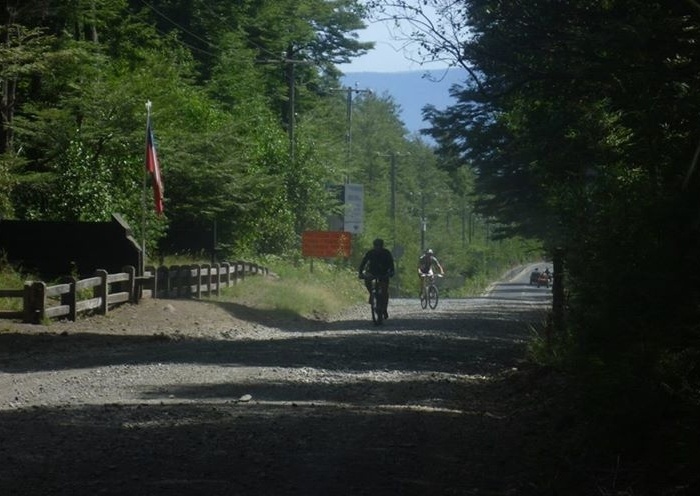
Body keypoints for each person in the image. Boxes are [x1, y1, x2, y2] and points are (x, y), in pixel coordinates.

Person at [358, 238, 395, 319]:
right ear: (374, 246)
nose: (378, 247)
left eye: (379, 246)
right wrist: (360, 273)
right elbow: (363, 263)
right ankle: (372, 293)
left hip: (383, 273)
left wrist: (391, 272)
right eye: (376, 246)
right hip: (372, 272)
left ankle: (384, 309)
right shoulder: (370, 253)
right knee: (367, 280)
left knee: (384, 291)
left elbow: (391, 264)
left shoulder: (386, 253)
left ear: (382, 246)